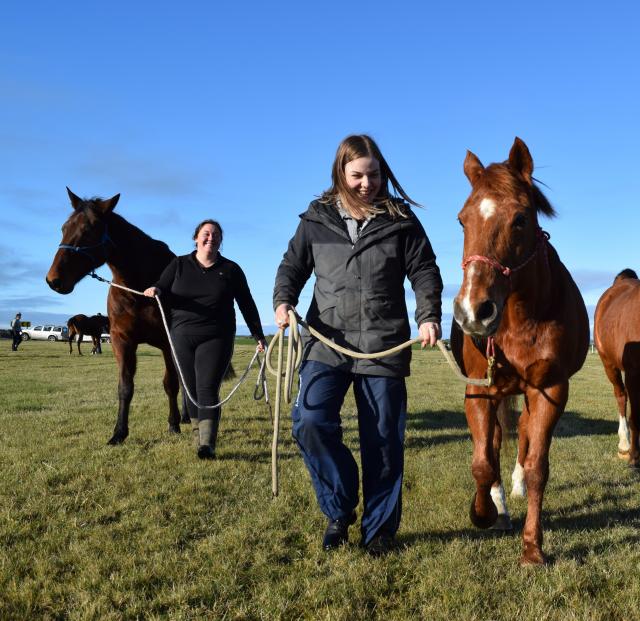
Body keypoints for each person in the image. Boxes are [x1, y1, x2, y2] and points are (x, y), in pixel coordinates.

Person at [273, 134, 442, 555]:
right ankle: (339, 508)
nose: (367, 183)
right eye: (358, 175)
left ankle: (380, 531)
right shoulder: (316, 218)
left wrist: (429, 316)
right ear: (340, 173)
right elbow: (292, 266)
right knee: (309, 422)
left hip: (383, 343)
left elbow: (424, 270)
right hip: (326, 341)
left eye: (374, 174)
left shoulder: (400, 219)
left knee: (383, 439)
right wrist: (282, 301)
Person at [144, 219, 266, 459]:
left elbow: (247, 304)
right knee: (190, 390)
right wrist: (154, 290)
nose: (211, 238)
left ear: (221, 241)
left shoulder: (231, 269)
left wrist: (258, 335)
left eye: (216, 235)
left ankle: (207, 444)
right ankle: (198, 435)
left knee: (206, 387)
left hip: (217, 337)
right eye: (206, 233)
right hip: (181, 337)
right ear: (196, 238)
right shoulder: (178, 265)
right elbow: (161, 286)